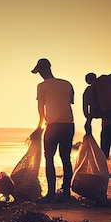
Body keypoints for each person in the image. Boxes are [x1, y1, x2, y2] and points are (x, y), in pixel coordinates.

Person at [32, 58, 75, 203]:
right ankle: (66, 193)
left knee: (49, 158)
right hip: (68, 125)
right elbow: (68, 103)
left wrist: (39, 127)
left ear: (43, 71)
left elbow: (41, 109)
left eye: (39, 72)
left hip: (53, 126)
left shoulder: (41, 86)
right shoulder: (67, 84)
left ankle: (51, 194)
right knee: (65, 158)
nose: (40, 75)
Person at [83, 72, 111, 200]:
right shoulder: (108, 91)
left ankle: (102, 192)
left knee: (102, 161)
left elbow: (88, 112)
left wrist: (88, 125)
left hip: (108, 128)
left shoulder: (91, 91)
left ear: (88, 81)